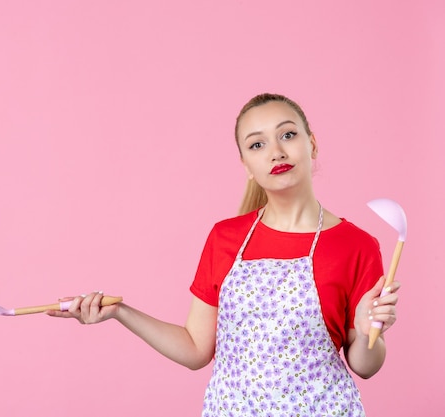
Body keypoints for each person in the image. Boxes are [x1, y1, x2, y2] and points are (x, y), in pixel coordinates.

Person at [46, 93, 400, 416]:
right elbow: (197, 349)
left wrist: (372, 332)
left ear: (312, 144)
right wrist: (120, 312)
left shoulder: (357, 245)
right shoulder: (225, 238)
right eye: (257, 144)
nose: (276, 151)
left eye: (288, 135)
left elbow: (365, 364)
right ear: (246, 166)